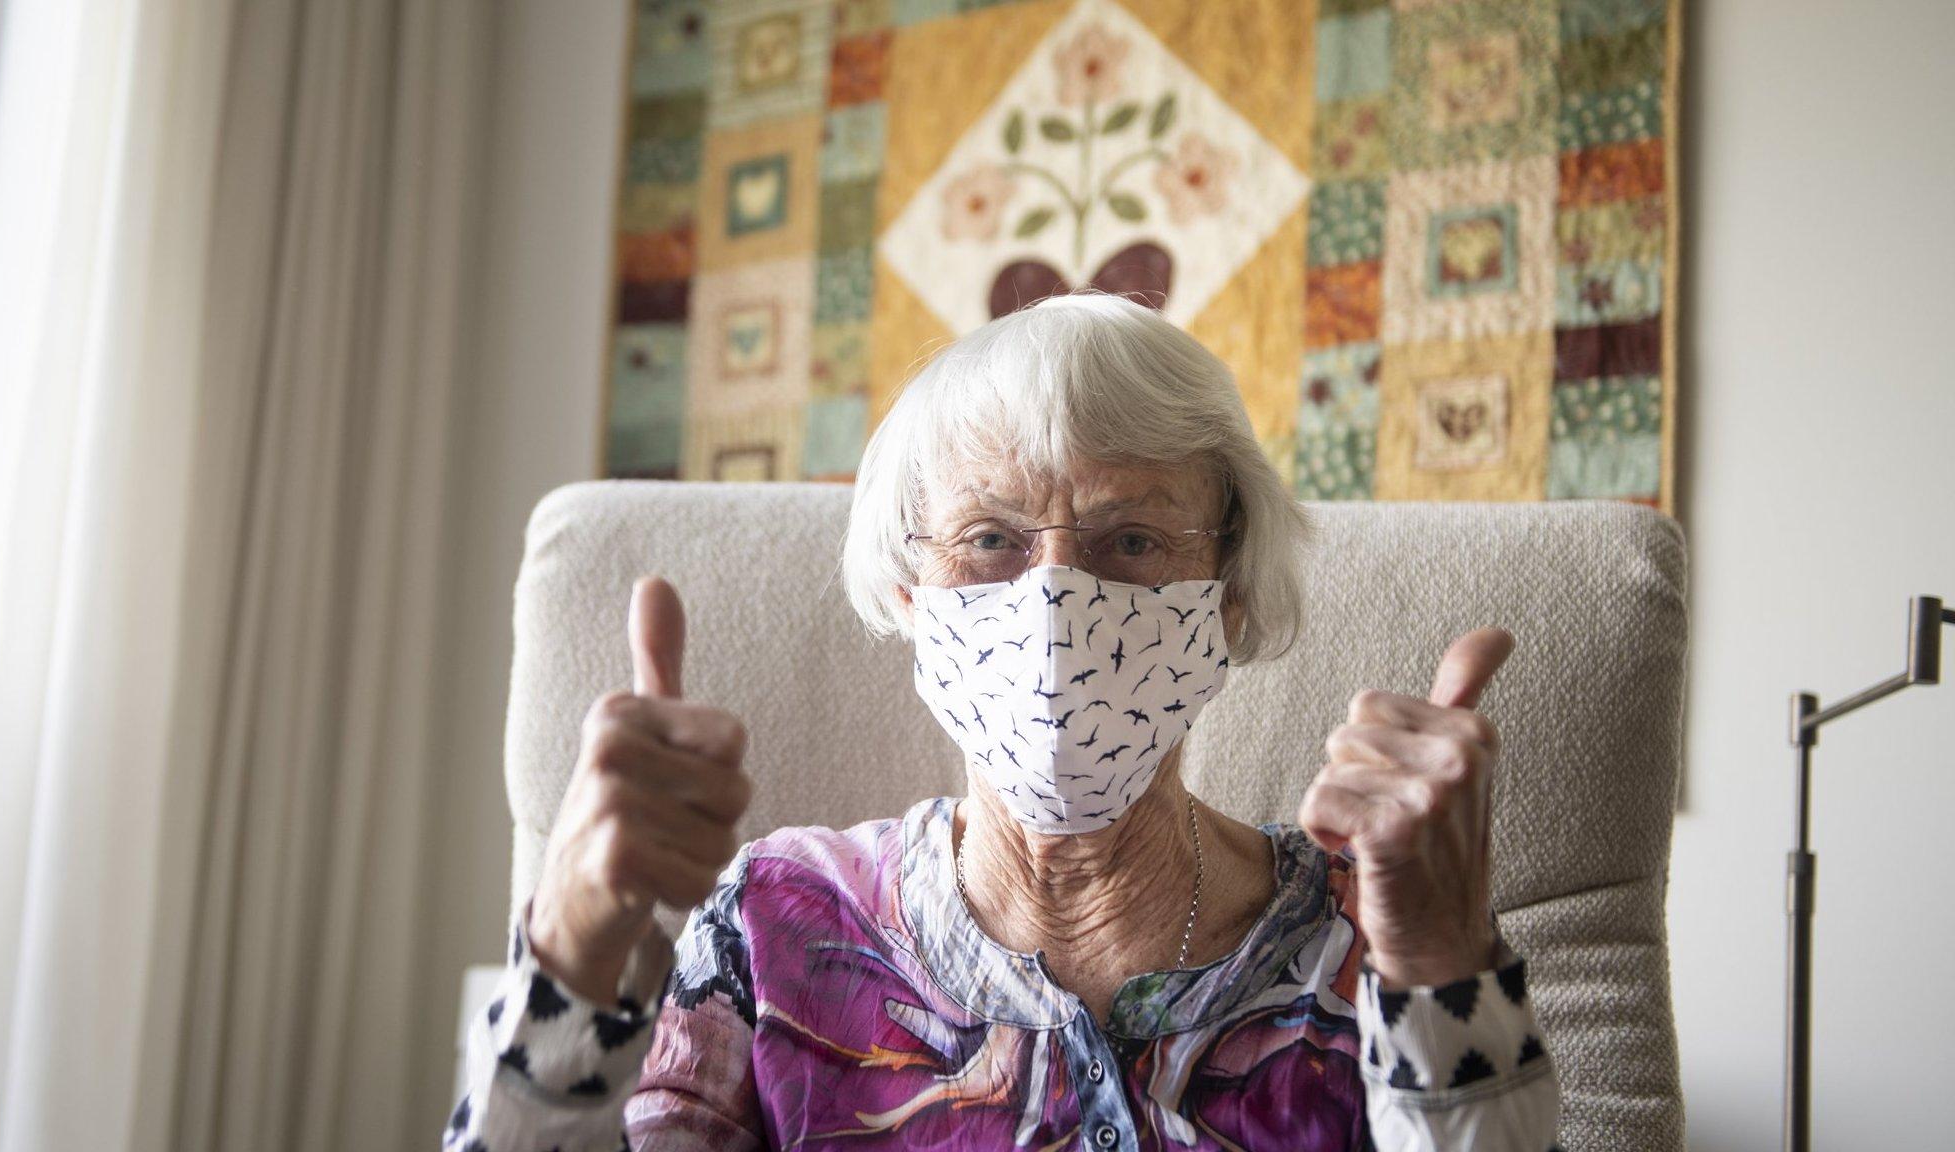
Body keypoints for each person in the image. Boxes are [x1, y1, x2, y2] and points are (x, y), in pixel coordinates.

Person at [444, 292, 1560, 1151]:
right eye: (989, 542)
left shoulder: (1364, 935)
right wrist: (576, 952)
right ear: (909, 597)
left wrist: (1441, 962)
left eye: (1130, 541)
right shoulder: (772, 931)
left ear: (1224, 600)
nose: (1054, 605)